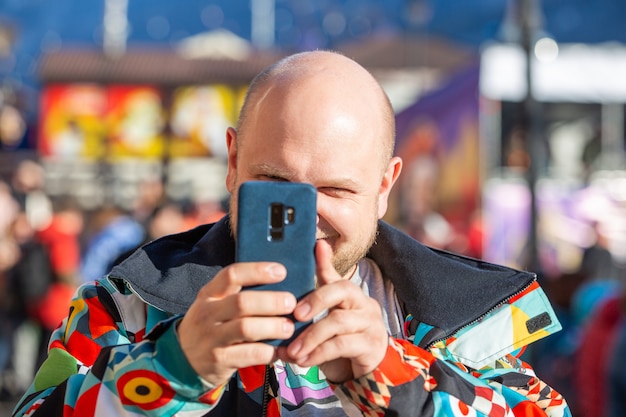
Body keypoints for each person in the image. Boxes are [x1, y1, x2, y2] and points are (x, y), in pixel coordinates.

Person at [13, 51, 570, 416]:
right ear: (233, 162)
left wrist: (394, 376)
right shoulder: (130, 303)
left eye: (336, 190)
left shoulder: (462, 316)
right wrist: (170, 371)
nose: (304, 216)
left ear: (384, 186)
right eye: (275, 183)